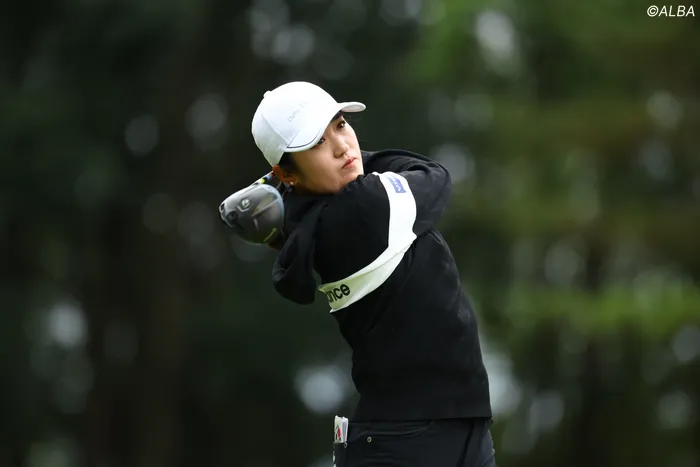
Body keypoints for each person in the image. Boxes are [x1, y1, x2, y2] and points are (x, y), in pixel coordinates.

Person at [251, 81, 496, 467]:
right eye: (317, 142)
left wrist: (285, 188)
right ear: (286, 171)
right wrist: (293, 184)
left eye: (340, 125)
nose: (341, 147)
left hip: (450, 427)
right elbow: (433, 175)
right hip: (408, 441)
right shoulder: (363, 208)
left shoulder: (314, 214)